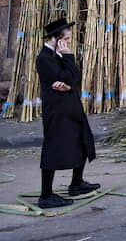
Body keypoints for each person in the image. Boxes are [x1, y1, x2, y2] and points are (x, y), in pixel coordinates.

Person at [36, 18, 99, 209]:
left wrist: (68, 78)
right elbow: (67, 77)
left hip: (71, 107)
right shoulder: (45, 59)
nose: (69, 43)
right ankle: (45, 195)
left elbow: (75, 78)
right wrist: (69, 61)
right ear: (56, 39)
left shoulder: (59, 55)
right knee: (53, 148)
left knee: (83, 139)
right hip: (57, 112)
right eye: (67, 39)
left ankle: (76, 184)